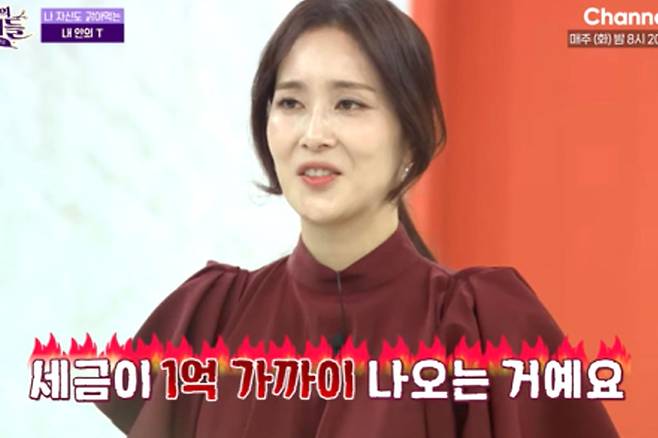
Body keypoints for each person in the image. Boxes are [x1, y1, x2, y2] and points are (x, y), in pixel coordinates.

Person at [96, 0, 620, 436]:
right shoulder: (209, 322)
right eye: (291, 103)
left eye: (348, 104)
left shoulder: (482, 332)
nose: (314, 134)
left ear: (411, 136)